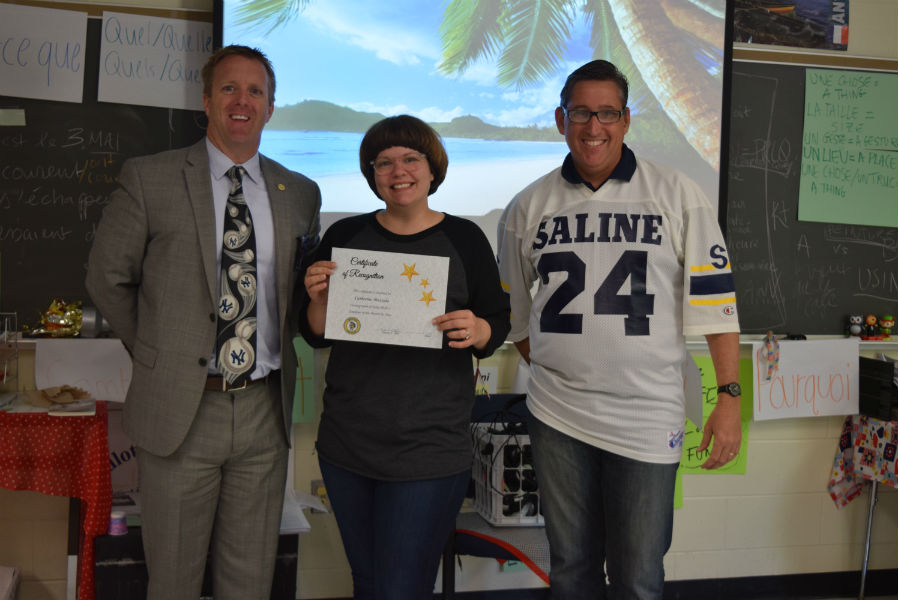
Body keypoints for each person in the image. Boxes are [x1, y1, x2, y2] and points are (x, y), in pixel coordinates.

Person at [496, 60, 742, 599]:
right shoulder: (527, 206)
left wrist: (728, 399)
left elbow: (718, 307)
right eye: (581, 112)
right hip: (558, 414)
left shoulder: (679, 195)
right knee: (571, 569)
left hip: (648, 413)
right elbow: (514, 318)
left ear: (626, 120)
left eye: (607, 113)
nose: (593, 127)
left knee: (637, 575)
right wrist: (571, 363)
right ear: (561, 119)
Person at [86, 45, 321, 600]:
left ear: (270, 107)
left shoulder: (300, 194)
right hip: (180, 413)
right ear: (206, 100)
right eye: (229, 89)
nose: (243, 101)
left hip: (265, 411)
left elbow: (295, 297)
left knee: (249, 580)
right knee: (173, 581)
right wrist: (156, 352)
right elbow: (106, 280)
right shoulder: (150, 179)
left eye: (256, 91)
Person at [300, 115, 510, 599]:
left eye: (411, 158)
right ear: (372, 174)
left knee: (402, 588)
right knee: (369, 582)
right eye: (384, 162)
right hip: (348, 444)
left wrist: (477, 328)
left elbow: (496, 324)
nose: (399, 171)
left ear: (432, 168)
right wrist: (317, 303)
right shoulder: (346, 237)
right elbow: (314, 334)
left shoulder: (465, 239)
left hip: (429, 447)